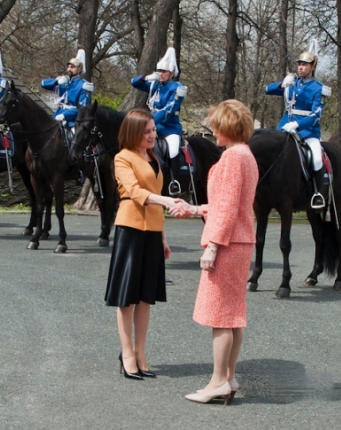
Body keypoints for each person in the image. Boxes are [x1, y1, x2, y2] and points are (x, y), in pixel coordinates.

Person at [170, 99, 258, 404]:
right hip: (239, 240)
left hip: (229, 243)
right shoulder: (245, 155)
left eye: (215, 125)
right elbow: (226, 205)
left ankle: (219, 381)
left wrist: (214, 247)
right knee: (232, 317)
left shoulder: (234, 157)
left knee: (221, 316)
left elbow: (230, 208)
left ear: (227, 126)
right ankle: (228, 377)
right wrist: (194, 208)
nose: (212, 129)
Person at [104, 108, 175, 381]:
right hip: (131, 228)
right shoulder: (123, 157)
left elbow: (155, 195)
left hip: (153, 230)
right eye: (146, 131)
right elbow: (134, 192)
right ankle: (126, 353)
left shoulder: (153, 156)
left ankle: (141, 352)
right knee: (127, 298)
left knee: (146, 297)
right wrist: (168, 201)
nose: (152, 135)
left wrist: (163, 237)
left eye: (153, 130)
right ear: (133, 132)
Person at [265, 38, 331, 209]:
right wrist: (281, 84)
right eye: (300, 64)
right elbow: (267, 90)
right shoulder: (292, 83)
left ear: (312, 67)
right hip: (284, 128)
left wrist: (298, 125)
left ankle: (317, 193)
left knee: (316, 158)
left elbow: (316, 114)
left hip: (308, 131)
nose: (301, 67)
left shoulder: (319, 88)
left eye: (305, 64)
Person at [131, 47, 188, 194]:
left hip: (169, 128)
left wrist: (149, 121)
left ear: (171, 73)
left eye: (164, 72)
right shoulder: (155, 85)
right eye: (160, 71)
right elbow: (134, 82)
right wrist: (146, 77)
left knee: (174, 149)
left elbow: (169, 110)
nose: (161, 74)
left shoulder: (177, 87)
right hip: (152, 127)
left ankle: (174, 182)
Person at [41, 49, 93, 128]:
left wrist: (65, 115)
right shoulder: (63, 81)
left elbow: (82, 108)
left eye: (72, 67)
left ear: (79, 69)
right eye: (68, 67)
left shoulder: (84, 85)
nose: (69, 69)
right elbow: (43, 84)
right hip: (58, 115)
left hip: (73, 119)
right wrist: (57, 82)